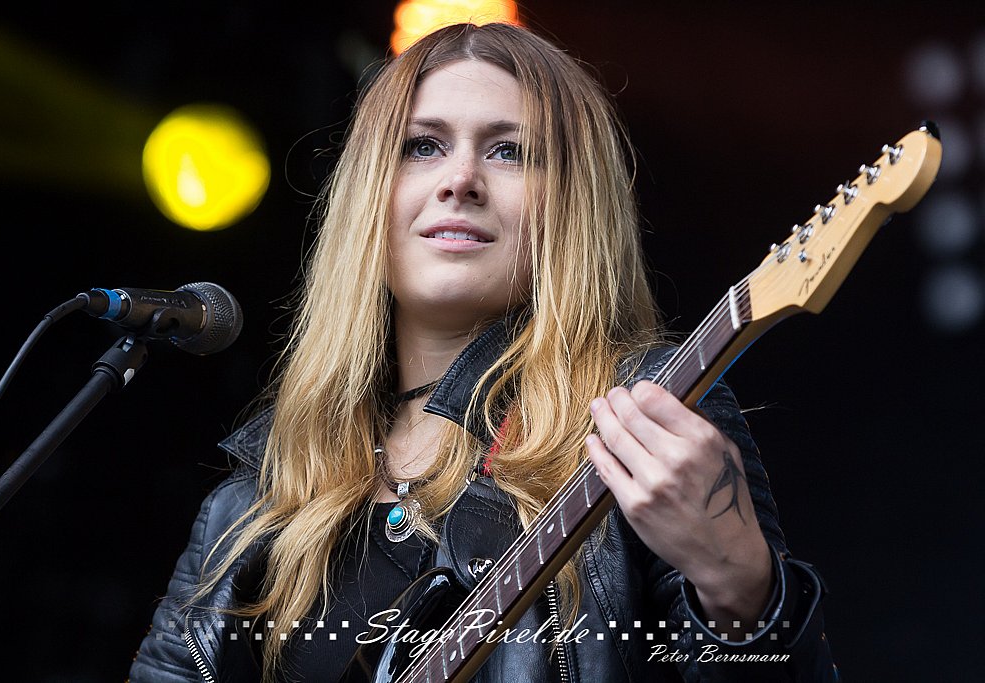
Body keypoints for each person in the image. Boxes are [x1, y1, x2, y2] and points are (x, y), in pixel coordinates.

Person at [129, 21, 838, 683]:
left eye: (509, 151)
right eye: (422, 146)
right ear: (370, 194)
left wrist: (740, 584)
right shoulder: (253, 501)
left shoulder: (644, 417)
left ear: (572, 206)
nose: (460, 179)